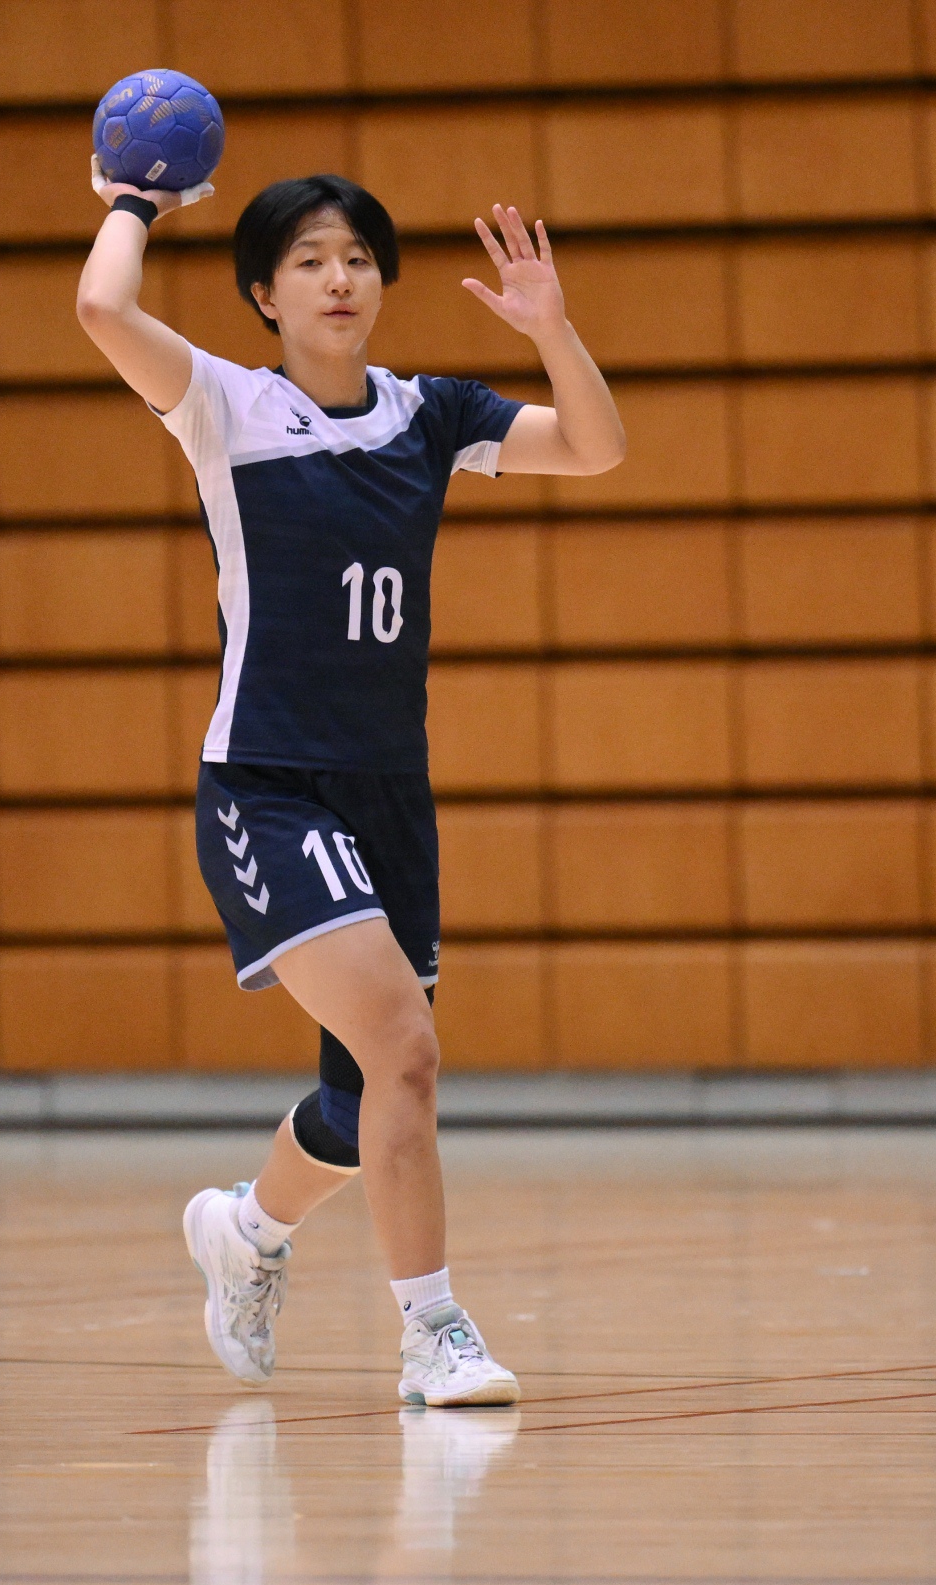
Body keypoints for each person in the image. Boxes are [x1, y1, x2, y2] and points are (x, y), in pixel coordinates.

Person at [75, 171, 626, 1406]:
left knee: (361, 1090)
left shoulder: (430, 415)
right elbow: (103, 309)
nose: (340, 279)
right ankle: (434, 1333)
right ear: (264, 294)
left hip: (388, 793)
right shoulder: (225, 404)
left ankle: (245, 1231)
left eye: (360, 259)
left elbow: (595, 448)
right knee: (408, 1053)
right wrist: (133, 203)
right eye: (310, 260)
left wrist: (551, 330)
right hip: (267, 784)